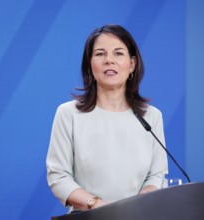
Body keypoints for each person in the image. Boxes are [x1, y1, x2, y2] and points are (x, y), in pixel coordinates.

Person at [46, 24, 168, 212]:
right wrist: (99, 206)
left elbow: (157, 174)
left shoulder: (151, 117)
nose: (109, 60)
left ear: (132, 64)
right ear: (89, 64)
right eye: (100, 54)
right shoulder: (68, 114)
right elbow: (58, 176)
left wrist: (142, 201)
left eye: (118, 53)